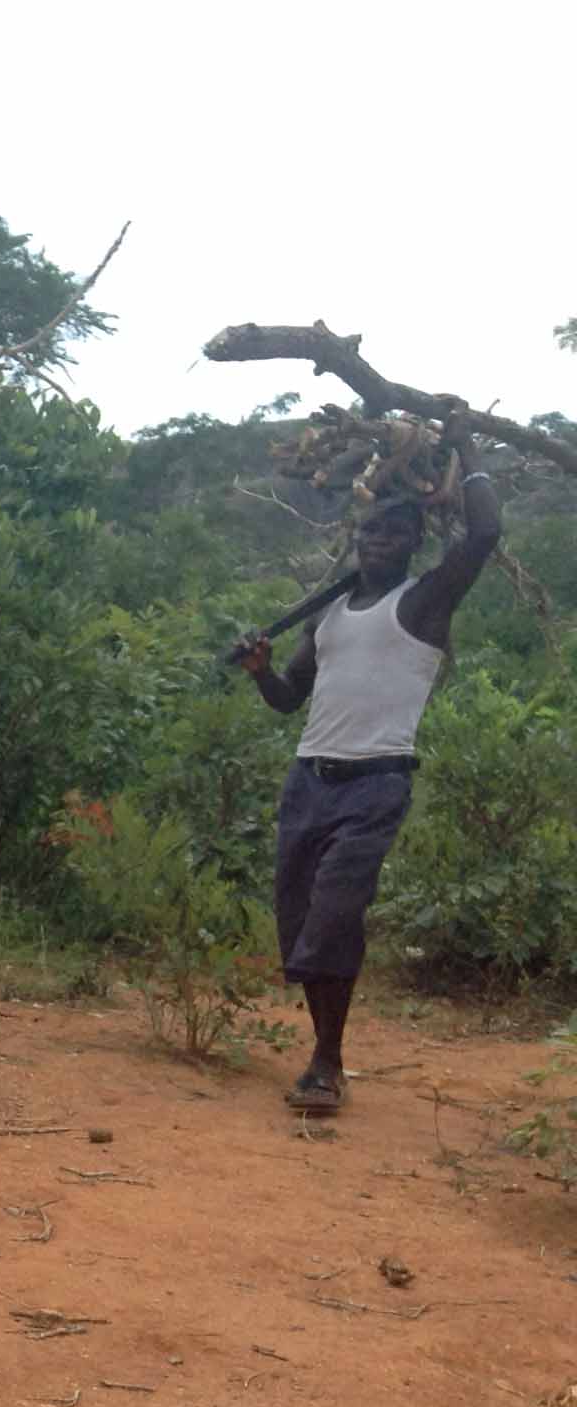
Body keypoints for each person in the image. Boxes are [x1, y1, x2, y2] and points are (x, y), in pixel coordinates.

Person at [235, 418, 503, 1111]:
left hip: (376, 781)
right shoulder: (327, 619)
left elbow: (481, 537)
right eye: (367, 533)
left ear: (414, 541)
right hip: (308, 779)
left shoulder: (420, 604)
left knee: (335, 915)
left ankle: (325, 1064)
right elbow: (289, 700)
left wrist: (468, 445)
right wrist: (262, 670)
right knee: (298, 922)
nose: (375, 542)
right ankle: (326, 1052)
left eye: (390, 533)